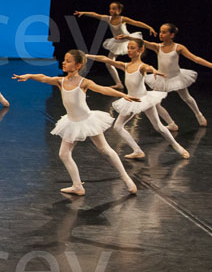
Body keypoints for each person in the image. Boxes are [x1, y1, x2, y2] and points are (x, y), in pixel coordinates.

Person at [13, 49, 139, 196]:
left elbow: (103, 90)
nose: (63, 63)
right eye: (64, 60)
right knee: (64, 154)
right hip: (72, 122)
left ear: (78, 65)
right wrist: (29, 76)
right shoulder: (60, 81)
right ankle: (78, 186)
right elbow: (43, 77)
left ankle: (126, 177)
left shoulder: (83, 82)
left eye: (68, 61)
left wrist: (122, 94)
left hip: (87, 120)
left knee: (105, 149)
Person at [86, 39, 189, 159]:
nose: (129, 50)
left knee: (158, 126)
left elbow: (148, 67)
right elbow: (106, 59)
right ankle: (137, 150)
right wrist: (86, 56)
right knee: (118, 126)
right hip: (131, 100)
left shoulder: (141, 66)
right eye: (128, 48)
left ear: (141, 50)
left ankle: (178, 147)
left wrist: (153, 70)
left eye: (132, 48)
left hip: (144, 100)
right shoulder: (125, 65)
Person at [128, 23, 212, 128]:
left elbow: (195, 59)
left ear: (171, 35)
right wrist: (128, 37)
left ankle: (199, 114)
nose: (161, 34)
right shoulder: (157, 47)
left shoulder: (178, 47)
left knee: (186, 98)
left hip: (176, 78)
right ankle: (171, 124)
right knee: (154, 103)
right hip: (162, 79)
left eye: (164, 32)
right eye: (160, 32)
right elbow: (142, 42)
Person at [74, 3, 155, 89]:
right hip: (117, 42)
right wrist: (84, 13)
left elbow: (136, 23)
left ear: (119, 11)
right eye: (110, 9)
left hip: (128, 40)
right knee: (108, 63)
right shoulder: (108, 18)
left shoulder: (122, 19)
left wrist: (149, 27)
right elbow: (96, 15)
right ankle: (119, 83)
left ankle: (146, 78)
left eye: (113, 9)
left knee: (136, 60)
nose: (111, 11)